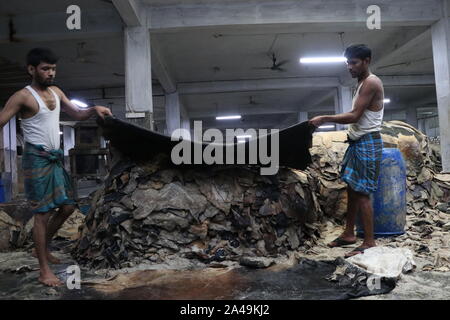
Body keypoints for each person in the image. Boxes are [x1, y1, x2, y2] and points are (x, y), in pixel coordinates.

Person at [0, 48, 113, 286]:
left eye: (53, 69)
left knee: (68, 207)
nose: (50, 73)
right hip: (37, 159)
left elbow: (78, 113)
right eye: (45, 69)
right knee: (42, 213)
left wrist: (93, 109)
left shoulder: (56, 91)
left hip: (55, 157)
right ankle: (44, 270)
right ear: (32, 69)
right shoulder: (22, 96)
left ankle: (40, 249)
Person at [309, 44, 384, 258]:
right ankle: (349, 234)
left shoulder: (371, 83)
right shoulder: (361, 83)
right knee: (352, 189)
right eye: (347, 63)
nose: (349, 67)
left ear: (366, 61)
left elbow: (354, 116)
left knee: (362, 194)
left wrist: (324, 118)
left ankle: (369, 242)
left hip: (368, 142)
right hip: (358, 141)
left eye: (354, 63)